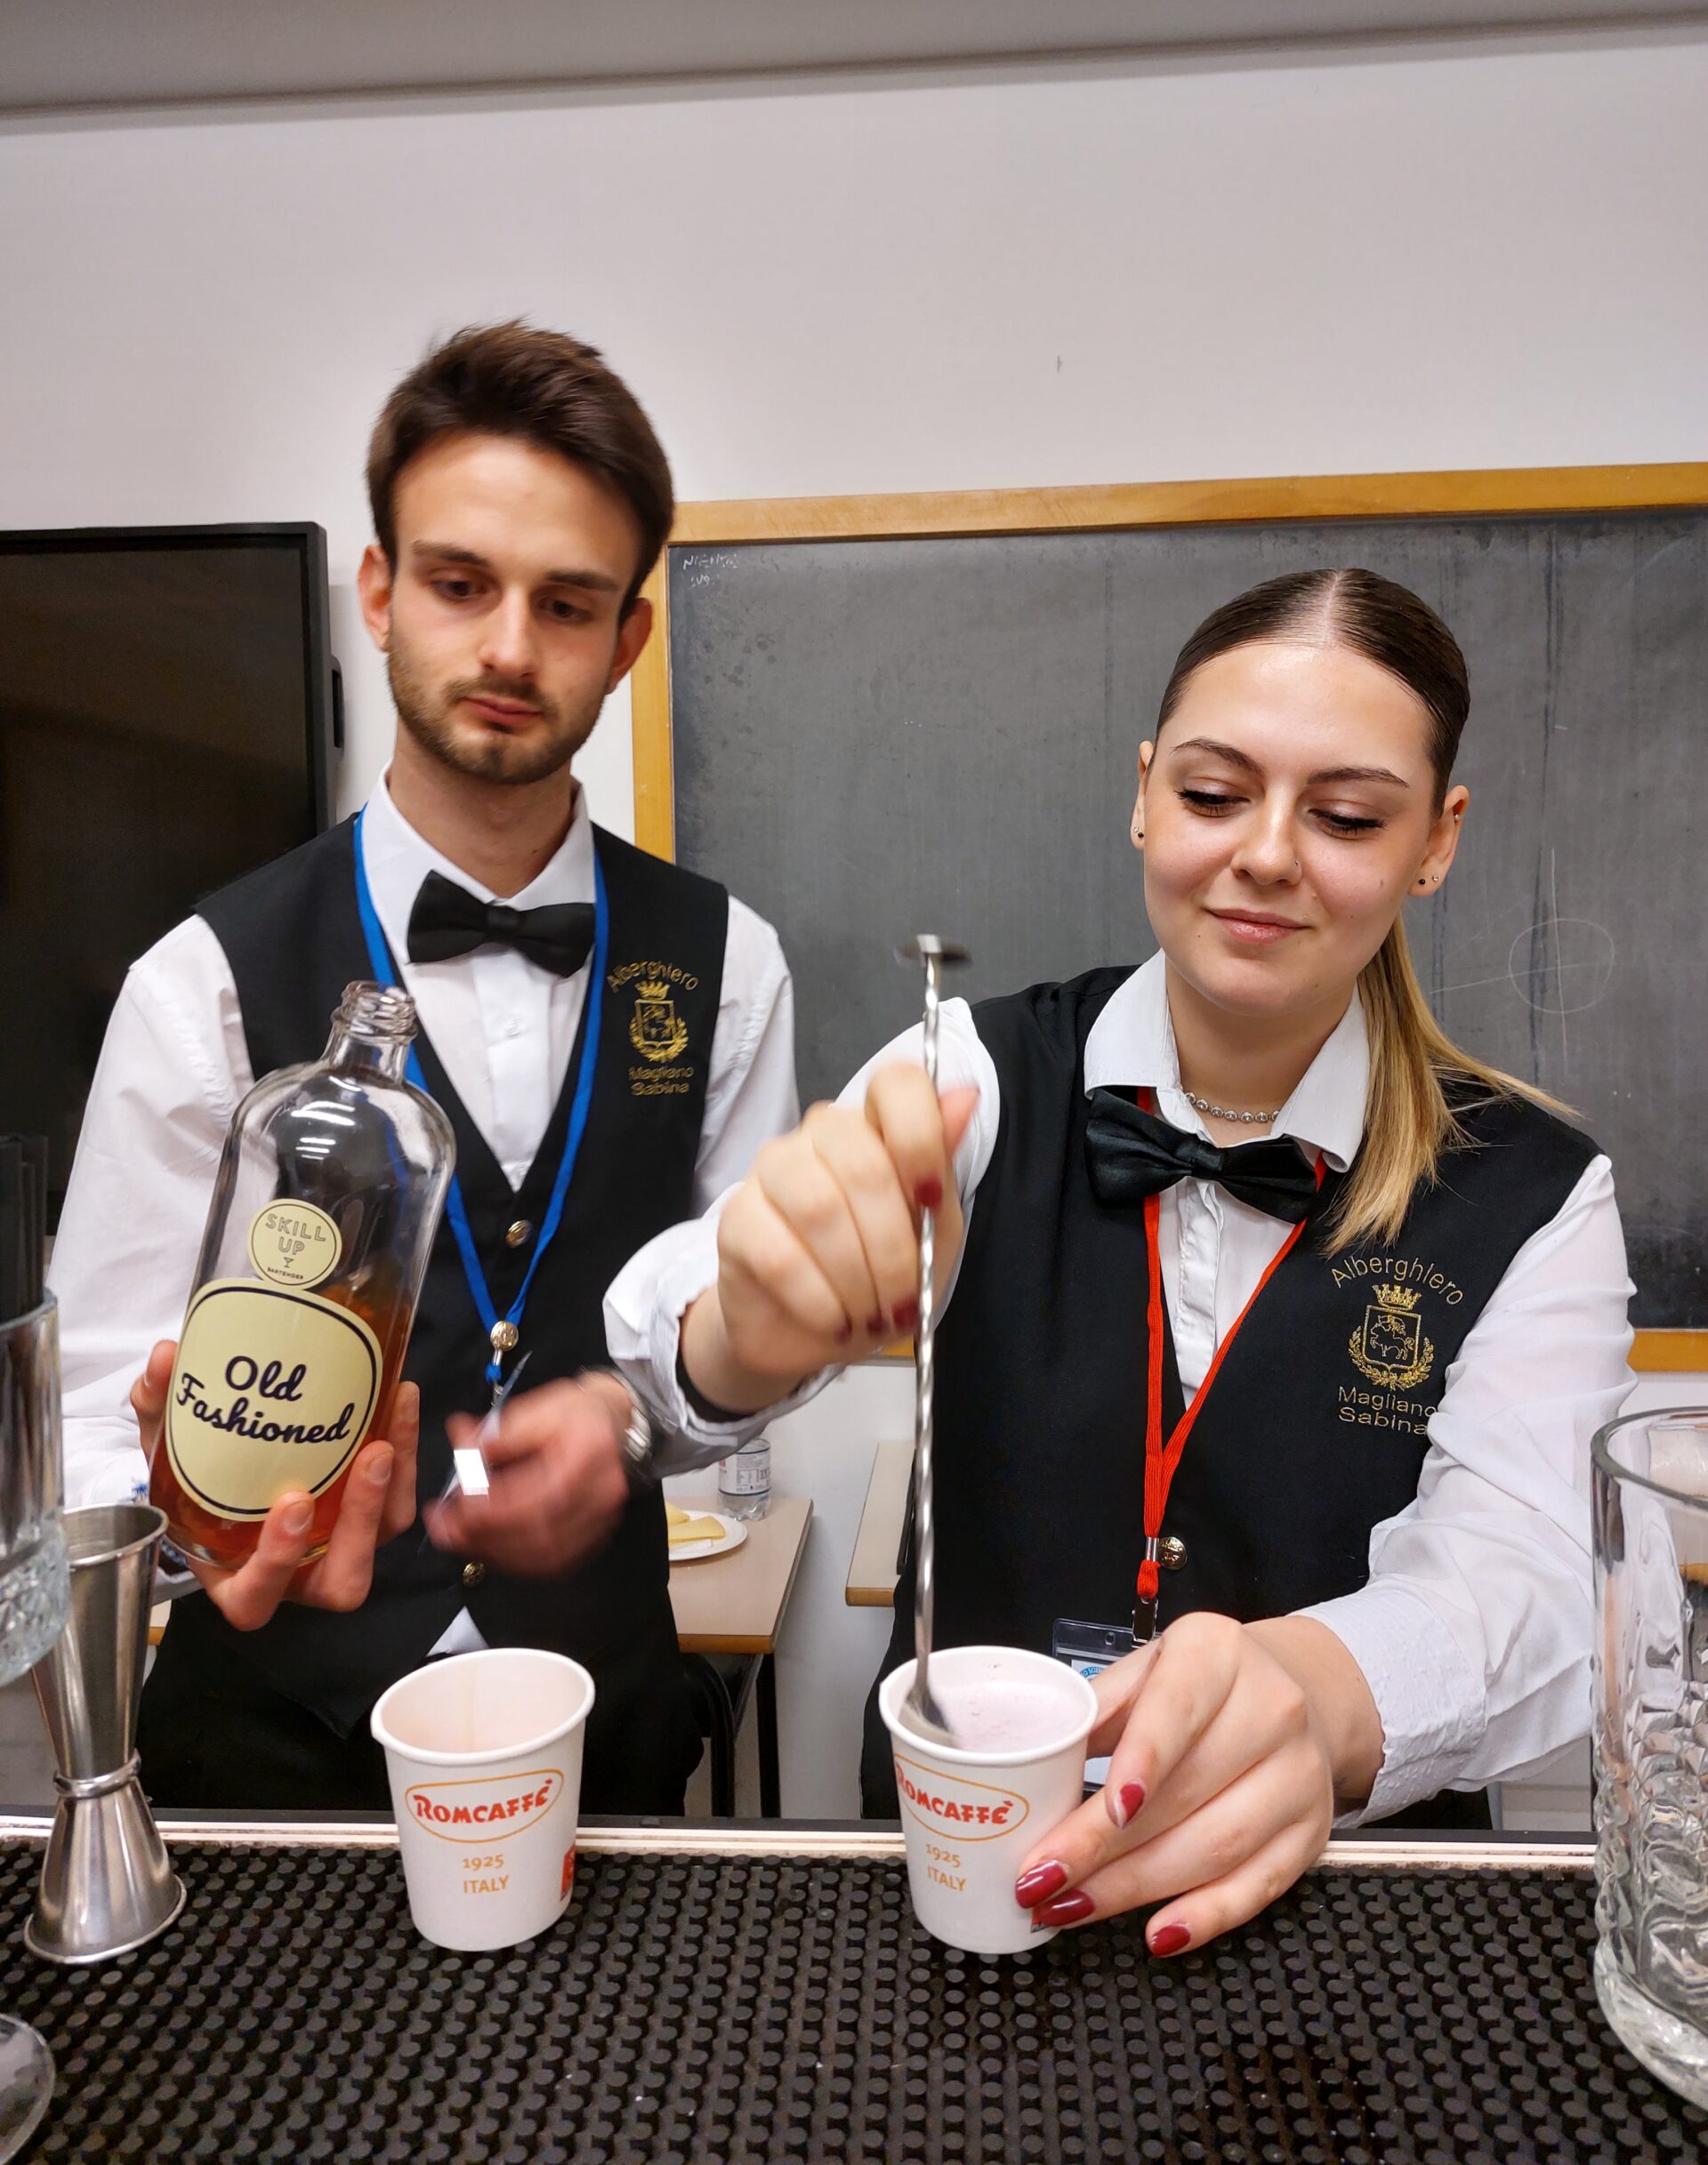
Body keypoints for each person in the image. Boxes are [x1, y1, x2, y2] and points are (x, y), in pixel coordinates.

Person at [609, 566, 1634, 1947]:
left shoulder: (1538, 1191)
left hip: (1326, 1919)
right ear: (1145, 792)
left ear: (1435, 842)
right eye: (1216, 794)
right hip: (965, 1866)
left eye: (1344, 816)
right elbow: (666, 1336)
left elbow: (1528, 1574)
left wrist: (1320, 1694)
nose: (1267, 852)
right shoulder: (966, 1070)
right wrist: (750, 1318)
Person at [55, 321, 798, 1815]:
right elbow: (89, 1404)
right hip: (269, 1755)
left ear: (627, 640)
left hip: (612, 1738)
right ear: (380, 594)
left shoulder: (732, 966)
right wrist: (194, 1556)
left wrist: (645, 1424)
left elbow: (757, 1328)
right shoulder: (199, 979)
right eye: (461, 585)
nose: (512, 648)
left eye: (567, 603)